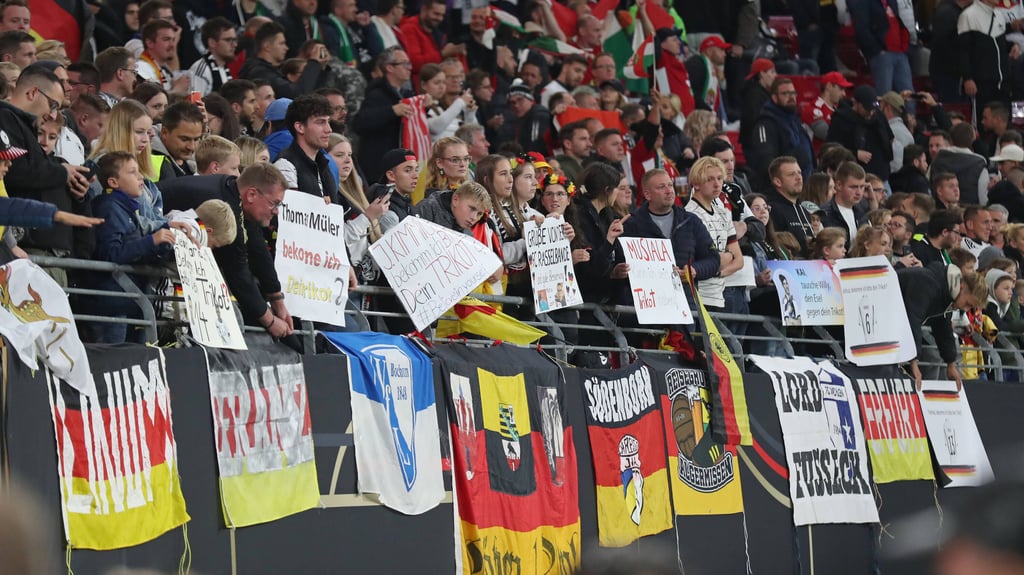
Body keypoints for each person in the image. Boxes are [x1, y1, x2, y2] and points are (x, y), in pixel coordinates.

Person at [160, 163, 295, 339]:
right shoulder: (226, 206)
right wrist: (270, 321)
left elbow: (258, 250)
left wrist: (278, 301)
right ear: (252, 194)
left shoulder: (234, 191)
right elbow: (237, 273)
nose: (276, 211)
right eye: (274, 203)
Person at [82, 151, 175, 343]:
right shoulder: (109, 208)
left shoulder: (125, 208)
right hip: (113, 307)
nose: (140, 177)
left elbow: (133, 248)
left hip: (131, 303)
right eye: (132, 172)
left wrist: (162, 241)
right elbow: (110, 254)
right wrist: (151, 241)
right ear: (113, 182)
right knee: (112, 363)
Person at [899, 261, 987, 389]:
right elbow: (912, 320)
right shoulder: (929, 283)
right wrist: (913, 362)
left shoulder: (946, 292)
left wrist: (950, 363)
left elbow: (943, 328)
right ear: (961, 286)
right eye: (968, 303)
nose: (966, 309)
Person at [626, 168, 720, 286]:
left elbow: (713, 259)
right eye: (661, 187)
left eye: (670, 185)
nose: (669, 191)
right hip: (649, 299)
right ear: (647, 195)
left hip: (686, 299)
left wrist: (694, 270)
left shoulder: (690, 221)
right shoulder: (632, 224)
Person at [685, 156, 744, 310]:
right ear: (696, 184)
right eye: (710, 179)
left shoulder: (723, 212)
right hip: (698, 297)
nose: (717, 184)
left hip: (720, 295)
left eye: (719, 178)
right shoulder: (689, 215)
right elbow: (697, 261)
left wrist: (717, 269)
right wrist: (722, 258)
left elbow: (738, 260)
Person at [351, 46, 414, 183]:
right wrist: (392, 111)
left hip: (397, 166)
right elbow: (360, 123)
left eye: (409, 63)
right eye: (404, 63)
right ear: (390, 68)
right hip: (378, 168)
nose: (409, 67)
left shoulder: (407, 95)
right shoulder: (377, 94)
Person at [273, 94, 340, 206]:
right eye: (320, 122)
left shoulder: (324, 165)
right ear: (300, 127)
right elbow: (287, 215)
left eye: (328, 122)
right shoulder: (285, 165)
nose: (329, 129)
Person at [747, 77, 814, 188]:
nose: (791, 97)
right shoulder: (766, 124)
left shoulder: (794, 120)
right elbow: (766, 163)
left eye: (793, 93)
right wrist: (797, 159)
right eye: (785, 93)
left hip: (804, 186)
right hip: (780, 190)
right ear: (774, 98)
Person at [239, 21, 326, 100]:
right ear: (267, 46)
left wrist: (322, 68)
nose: (286, 48)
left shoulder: (273, 70)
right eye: (282, 43)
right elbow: (296, 95)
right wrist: (314, 63)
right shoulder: (259, 72)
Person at [827, 84, 894, 183]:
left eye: (873, 109)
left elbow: (890, 136)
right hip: (855, 177)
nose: (871, 113)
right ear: (856, 103)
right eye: (867, 109)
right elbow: (832, 148)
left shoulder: (878, 115)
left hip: (882, 177)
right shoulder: (841, 120)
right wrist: (854, 154)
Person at [958, 0, 1011, 111]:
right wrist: (968, 78)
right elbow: (962, 51)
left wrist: (1013, 46)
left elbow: (998, 45)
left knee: (1005, 122)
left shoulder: (999, 15)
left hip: (1003, 82)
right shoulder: (968, 15)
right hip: (981, 83)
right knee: (983, 122)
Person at [931, 122, 989, 205]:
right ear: (973, 138)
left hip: (941, 212)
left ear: (950, 140)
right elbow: (983, 198)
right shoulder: (980, 163)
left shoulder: (937, 159)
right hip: (970, 213)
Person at [766, 156, 814, 255]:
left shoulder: (804, 209)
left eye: (799, 172)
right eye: (791, 174)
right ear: (777, 181)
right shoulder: (772, 210)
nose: (799, 178)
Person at [420, 63, 477, 141]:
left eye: (443, 82)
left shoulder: (443, 107)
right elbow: (435, 128)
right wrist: (460, 102)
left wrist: (469, 113)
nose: (441, 87)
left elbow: (472, 137)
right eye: (437, 82)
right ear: (423, 85)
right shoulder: (420, 105)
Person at [152, 102, 204, 181]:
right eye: (184, 139)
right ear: (164, 133)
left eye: (196, 139)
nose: (191, 147)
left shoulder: (197, 162)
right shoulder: (148, 162)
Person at [820, 161, 867, 244]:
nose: (859, 192)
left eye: (862, 187)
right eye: (853, 187)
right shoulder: (824, 214)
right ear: (838, 185)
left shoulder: (863, 210)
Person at [188, 17, 235, 96]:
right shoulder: (202, 70)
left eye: (234, 40)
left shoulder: (224, 68)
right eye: (228, 40)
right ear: (212, 42)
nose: (234, 45)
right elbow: (195, 104)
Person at [506, 83, 551, 155]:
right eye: (512, 103)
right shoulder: (520, 120)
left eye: (520, 100)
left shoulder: (538, 116)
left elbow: (535, 149)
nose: (516, 105)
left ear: (531, 100)